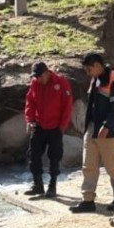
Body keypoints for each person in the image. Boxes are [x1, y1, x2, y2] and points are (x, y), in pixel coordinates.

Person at [70, 53, 114, 214]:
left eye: (89, 69)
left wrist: (107, 126)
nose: (87, 72)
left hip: (109, 131)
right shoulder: (95, 79)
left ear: (97, 65)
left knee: (112, 165)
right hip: (92, 128)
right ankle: (88, 200)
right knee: (88, 165)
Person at [23, 62, 74, 199]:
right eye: (35, 77)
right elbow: (30, 103)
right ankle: (37, 185)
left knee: (54, 157)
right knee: (33, 155)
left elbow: (67, 106)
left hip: (55, 127)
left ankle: (52, 186)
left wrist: (62, 126)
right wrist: (29, 120)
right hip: (39, 125)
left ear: (46, 73)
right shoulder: (35, 83)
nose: (37, 79)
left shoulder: (61, 82)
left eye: (39, 76)